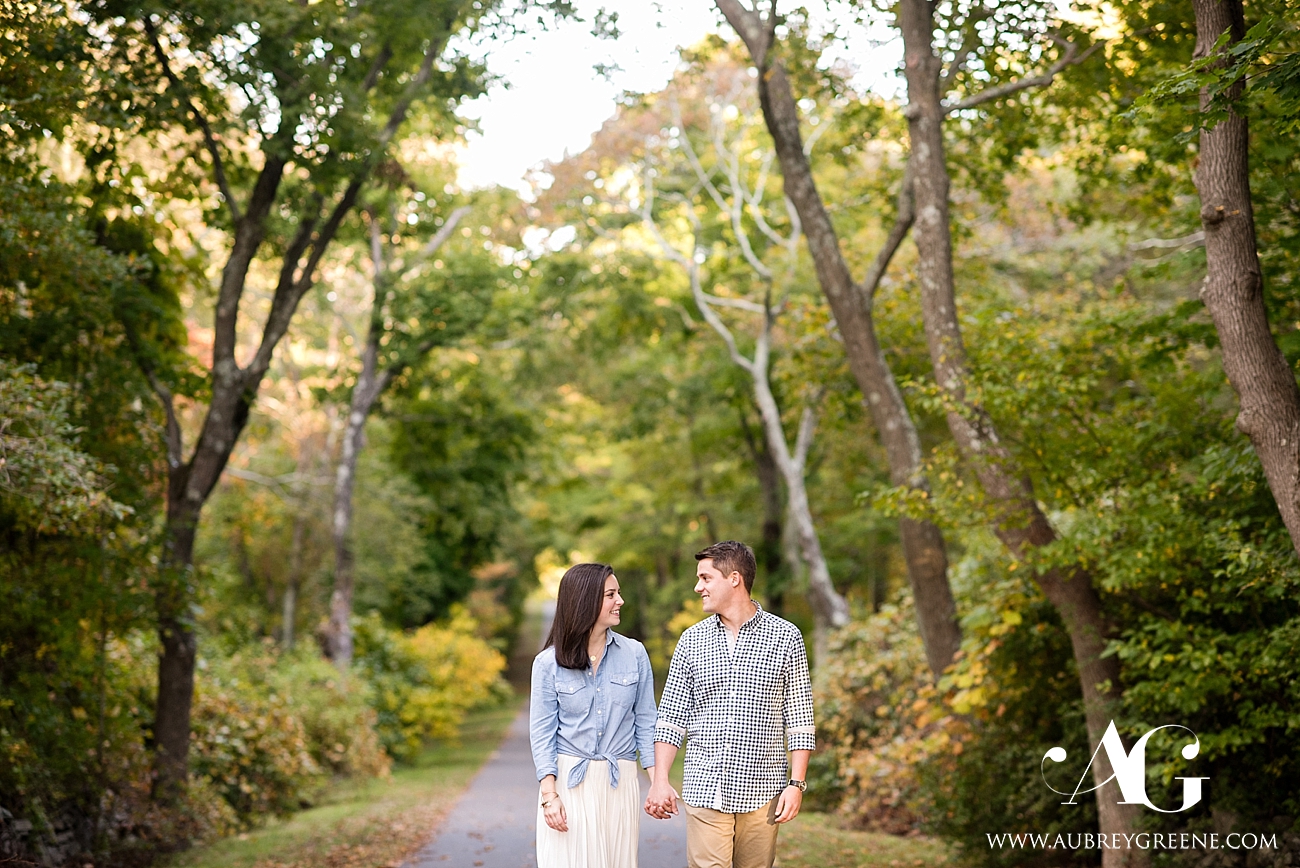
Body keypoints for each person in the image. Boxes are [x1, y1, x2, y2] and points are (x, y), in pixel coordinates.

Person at [644, 540, 815, 868]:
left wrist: (796, 784)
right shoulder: (691, 640)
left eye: (706, 578)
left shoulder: (786, 637)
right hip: (706, 787)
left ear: (734, 578)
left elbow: (800, 718)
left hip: (764, 791)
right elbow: (670, 718)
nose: (698, 587)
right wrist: (660, 780)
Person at [530, 562, 659, 868]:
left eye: (618, 593)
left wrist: (657, 782)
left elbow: (646, 722)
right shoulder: (547, 664)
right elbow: (542, 734)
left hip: (619, 782)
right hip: (568, 784)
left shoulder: (635, 654)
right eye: (611, 595)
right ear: (586, 602)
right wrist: (549, 795)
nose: (620, 601)